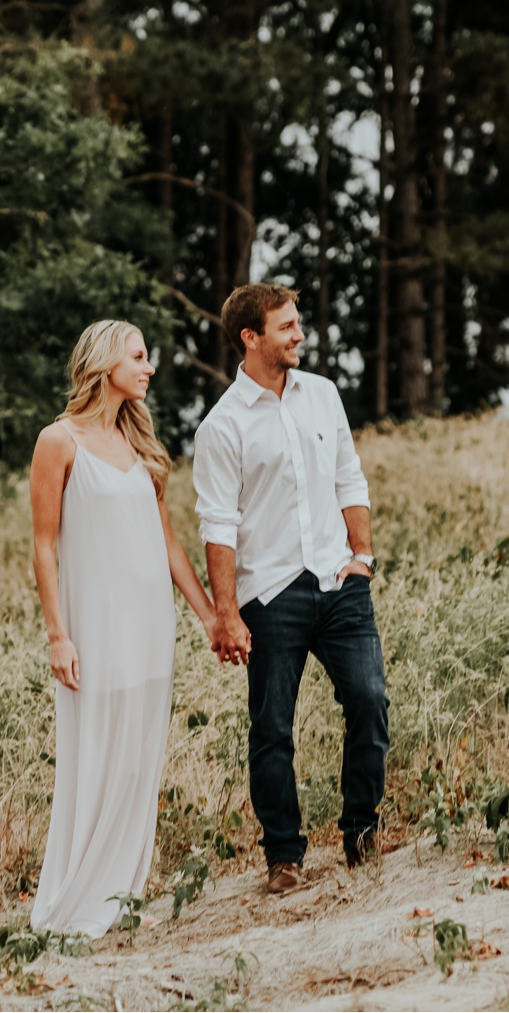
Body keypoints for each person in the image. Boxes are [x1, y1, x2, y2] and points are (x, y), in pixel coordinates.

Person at [28, 319, 220, 937]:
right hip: (96, 623)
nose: (149, 367)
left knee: (139, 759)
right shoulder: (58, 442)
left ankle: (121, 893)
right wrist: (59, 635)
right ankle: (77, 896)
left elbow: (167, 542)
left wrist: (211, 614)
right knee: (96, 753)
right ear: (106, 362)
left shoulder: (139, 444)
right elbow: (42, 547)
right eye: (138, 357)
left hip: (150, 623)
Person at [194, 284, 388, 895]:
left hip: (339, 580)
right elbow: (218, 525)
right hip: (271, 593)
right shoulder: (221, 427)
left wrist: (363, 556)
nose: (299, 335)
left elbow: (348, 476)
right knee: (272, 727)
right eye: (286, 327)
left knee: (368, 699)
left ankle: (361, 833)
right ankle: (284, 857)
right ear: (251, 338)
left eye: (298, 323)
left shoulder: (323, 395)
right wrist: (226, 613)